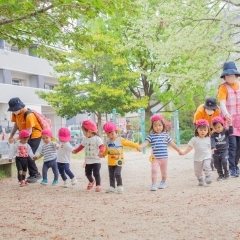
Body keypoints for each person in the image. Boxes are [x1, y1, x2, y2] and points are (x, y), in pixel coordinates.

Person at [140, 114, 182, 191]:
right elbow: (146, 142)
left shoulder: (166, 135)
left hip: (164, 158)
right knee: (154, 170)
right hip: (155, 158)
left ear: (163, 125)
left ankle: (163, 182)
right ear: (152, 127)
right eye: (155, 125)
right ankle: (153, 184)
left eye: (159, 125)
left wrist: (179, 150)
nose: (158, 127)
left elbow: (172, 144)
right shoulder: (151, 136)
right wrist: (140, 147)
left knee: (164, 171)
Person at [100, 122, 141, 194]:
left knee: (117, 173)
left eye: (112, 133)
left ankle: (120, 186)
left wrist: (137, 146)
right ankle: (112, 187)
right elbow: (107, 150)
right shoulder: (108, 141)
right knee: (111, 175)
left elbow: (129, 143)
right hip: (110, 162)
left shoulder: (120, 140)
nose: (110, 136)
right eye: (108, 134)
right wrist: (103, 154)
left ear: (116, 131)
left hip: (119, 161)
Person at [8, 97, 41, 183]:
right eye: (12, 109)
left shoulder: (28, 115)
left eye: (15, 109)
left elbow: (29, 132)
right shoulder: (15, 113)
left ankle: (35, 174)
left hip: (34, 136)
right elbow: (16, 125)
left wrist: (16, 138)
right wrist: (11, 135)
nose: (14, 111)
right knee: (24, 154)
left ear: (20, 106)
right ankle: (32, 174)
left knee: (28, 155)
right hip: (24, 136)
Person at [218, 61, 240, 177]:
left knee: (239, 147)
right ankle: (232, 168)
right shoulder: (223, 87)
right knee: (232, 146)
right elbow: (222, 103)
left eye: (231, 75)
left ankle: (235, 166)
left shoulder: (239, 85)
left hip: (239, 120)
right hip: (229, 121)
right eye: (227, 76)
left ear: (236, 75)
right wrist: (226, 115)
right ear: (224, 76)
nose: (229, 78)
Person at [72, 120, 104, 192]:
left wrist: (101, 152)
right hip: (88, 161)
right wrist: (76, 151)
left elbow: (102, 146)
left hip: (96, 160)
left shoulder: (97, 138)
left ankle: (98, 185)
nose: (83, 133)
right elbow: (81, 146)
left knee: (96, 173)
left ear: (89, 131)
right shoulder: (85, 139)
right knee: (87, 173)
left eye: (84, 131)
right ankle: (91, 181)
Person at [181, 119, 212, 186]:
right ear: (197, 130)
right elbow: (190, 147)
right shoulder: (194, 139)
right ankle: (200, 179)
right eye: (201, 130)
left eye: (205, 130)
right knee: (197, 171)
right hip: (197, 158)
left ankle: (208, 176)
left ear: (208, 131)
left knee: (207, 165)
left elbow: (212, 146)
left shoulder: (208, 139)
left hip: (206, 156)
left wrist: (214, 151)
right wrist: (184, 152)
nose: (203, 132)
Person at [211, 116, 233, 181]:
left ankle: (227, 173)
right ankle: (220, 175)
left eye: (219, 127)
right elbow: (212, 141)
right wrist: (213, 147)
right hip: (216, 152)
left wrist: (230, 124)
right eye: (215, 128)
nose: (217, 129)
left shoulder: (226, 132)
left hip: (224, 151)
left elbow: (231, 131)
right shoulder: (213, 135)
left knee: (224, 161)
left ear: (223, 125)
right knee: (217, 164)